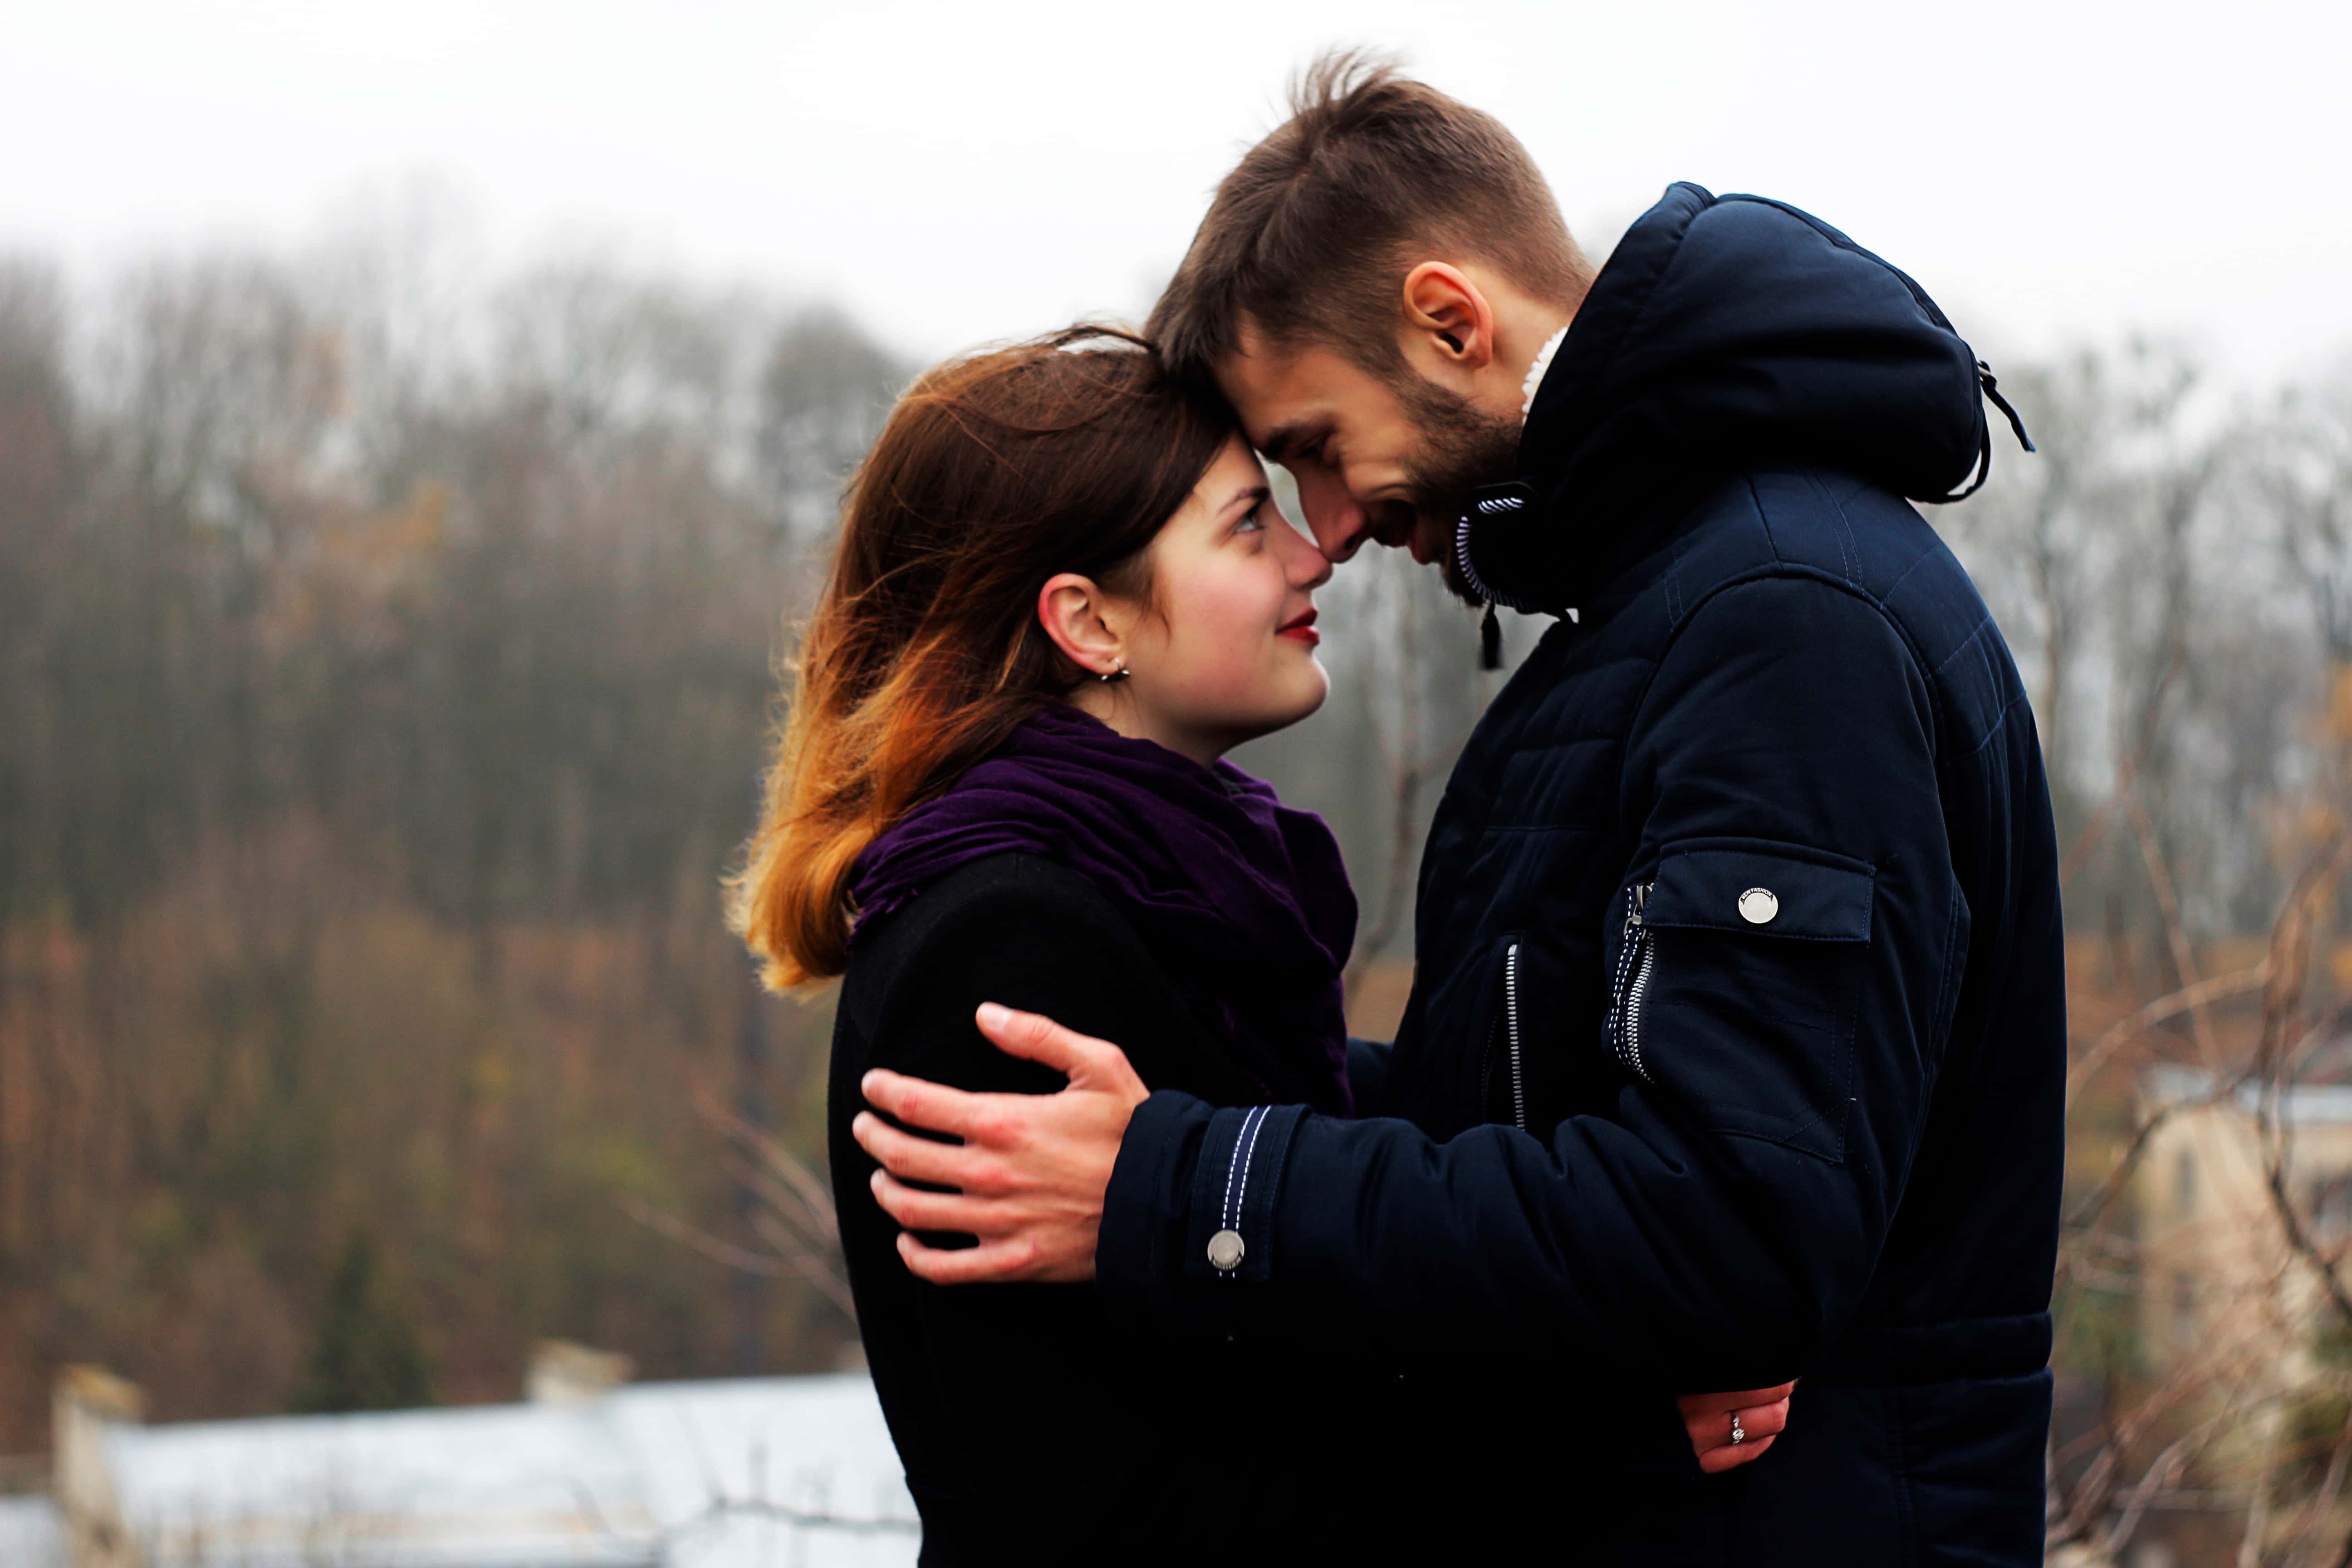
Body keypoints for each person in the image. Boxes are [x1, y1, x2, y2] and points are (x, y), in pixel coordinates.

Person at [851, 58, 2063, 1565]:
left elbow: (1737, 1226)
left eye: (1309, 448)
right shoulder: (1660, 607)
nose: (1335, 530)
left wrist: (1187, 1184)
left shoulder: (1774, 620)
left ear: (1449, 321)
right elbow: (1569, 1102)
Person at [731, 327, 1787, 1564]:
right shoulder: (1001, 947)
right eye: (1247, 526)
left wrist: (1647, 1273)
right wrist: (1604, 1428)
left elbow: (1314, 1204)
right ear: (1087, 620)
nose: (1312, 555)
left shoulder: (1159, 896)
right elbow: (1109, 1511)